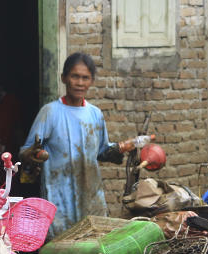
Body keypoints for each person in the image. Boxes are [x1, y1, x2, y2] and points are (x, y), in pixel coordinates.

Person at [19, 53, 137, 237]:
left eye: (85, 78)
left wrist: (120, 148)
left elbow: (101, 151)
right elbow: (25, 151)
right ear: (64, 78)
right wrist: (33, 155)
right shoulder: (50, 112)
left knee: (92, 243)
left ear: (91, 81)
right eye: (75, 76)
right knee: (59, 247)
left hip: (90, 194)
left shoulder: (95, 114)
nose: (80, 83)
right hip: (59, 197)